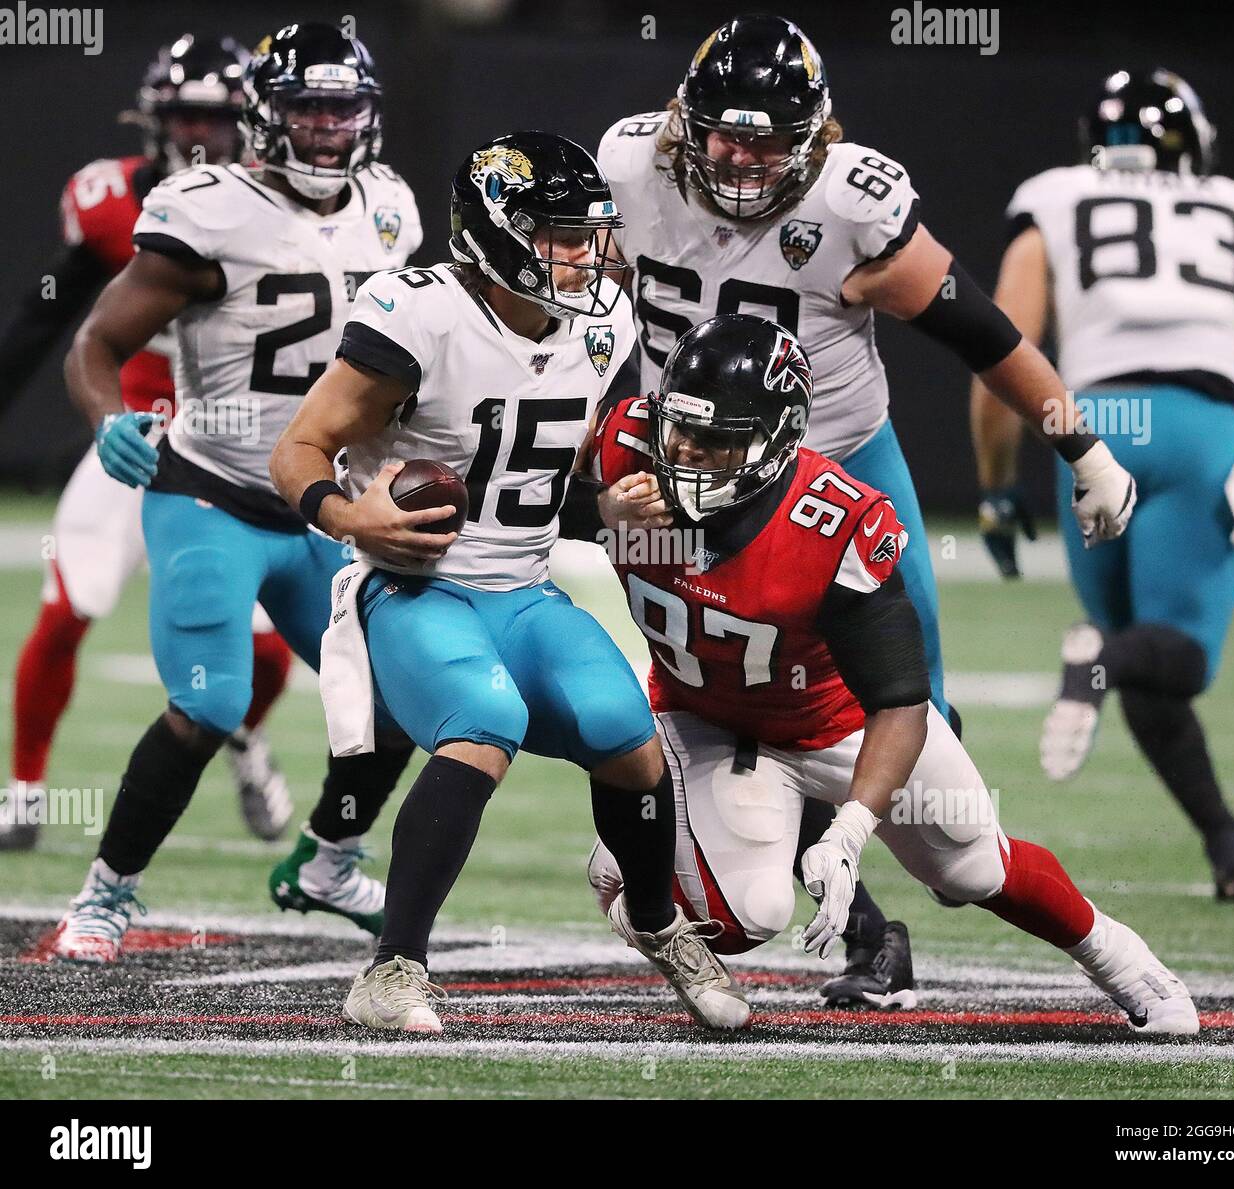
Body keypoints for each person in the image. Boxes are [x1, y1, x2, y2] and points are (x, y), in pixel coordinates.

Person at [597, 12, 1139, 1002]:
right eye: (724, 133)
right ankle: (860, 931)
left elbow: (981, 330)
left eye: (768, 141)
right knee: (734, 687)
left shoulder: (853, 206)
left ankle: (928, 875)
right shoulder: (631, 168)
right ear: (685, 118)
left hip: (840, 468)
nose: (742, 158)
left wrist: (1080, 441)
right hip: (693, 472)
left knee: (914, 713)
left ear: (815, 138)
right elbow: (597, 306)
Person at [587, 313, 1199, 1036]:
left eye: (717, 439)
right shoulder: (624, 448)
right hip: (703, 718)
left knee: (973, 866)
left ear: (775, 442)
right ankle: (629, 872)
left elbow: (900, 698)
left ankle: (1124, 961)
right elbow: (523, 509)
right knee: (748, 914)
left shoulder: (829, 523)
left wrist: (849, 832)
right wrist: (597, 509)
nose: (686, 453)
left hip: (837, 721)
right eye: (679, 429)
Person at [271, 130, 751, 1036]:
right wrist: (349, 517)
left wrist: (608, 509)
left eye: (590, 232)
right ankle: (392, 967)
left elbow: (542, 485)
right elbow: (296, 450)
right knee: (484, 721)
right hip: (414, 586)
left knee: (626, 730)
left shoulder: (605, 321)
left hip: (523, 590)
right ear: (496, 234)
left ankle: (656, 920)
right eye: (561, 234)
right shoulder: (418, 314)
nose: (586, 253)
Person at [50, 22, 425, 962]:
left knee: (403, 697)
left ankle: (329, 861)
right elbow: (95, 343)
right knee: (210, 702)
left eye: (342, 108)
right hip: (211, 489)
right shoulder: (207, 209)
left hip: (324, 506)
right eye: (307, 107)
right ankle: (105, 894)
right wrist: (108, 421)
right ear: (267, 113)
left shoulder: (390, 206)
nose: (328, 128)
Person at [971, 70, 1234, 901]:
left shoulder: (1055, 197)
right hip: (1199, 421)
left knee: (1132, 665)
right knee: (1172, 659)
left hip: (1093, 425)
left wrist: (997, 489)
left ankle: (1226, 841)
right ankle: (1097, 654)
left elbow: (1001, 348)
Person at [0, 34, 293, 851]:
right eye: (185, 115)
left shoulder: (287, 211)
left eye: (218, 115)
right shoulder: (109, 203)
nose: (201, 134)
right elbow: (49, 319)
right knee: (68, 607)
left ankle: (243, 737)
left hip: (237, 449)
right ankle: (23, 790)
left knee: (272, 654)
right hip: (133, 436)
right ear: (153, 119)